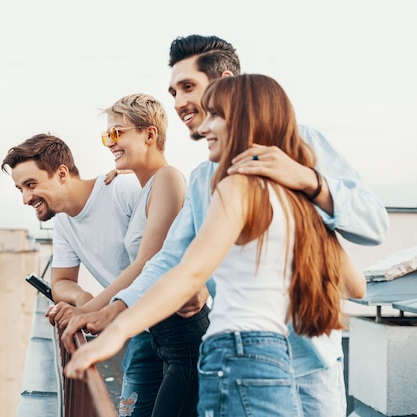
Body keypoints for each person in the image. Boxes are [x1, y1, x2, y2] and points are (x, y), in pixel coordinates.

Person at [62, 34, 389, 417]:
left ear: (226, 84)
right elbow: (173, 263)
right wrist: (114, 312)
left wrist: (307, 180)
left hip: (311, 361)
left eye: (188, 87)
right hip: (242, 357)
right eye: (173, 91)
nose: (179, 102)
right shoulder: (204, 179)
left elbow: (371, 229)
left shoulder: (301, 144)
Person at [47, 93, 206, 417]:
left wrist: (91, 311)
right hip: (158, 336)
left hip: (184, 340)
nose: (109, 142)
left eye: (117, 133)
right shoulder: (147, 186)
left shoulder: (169, 179)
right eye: (107, 135)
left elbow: (147, 264)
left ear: (150, 134)